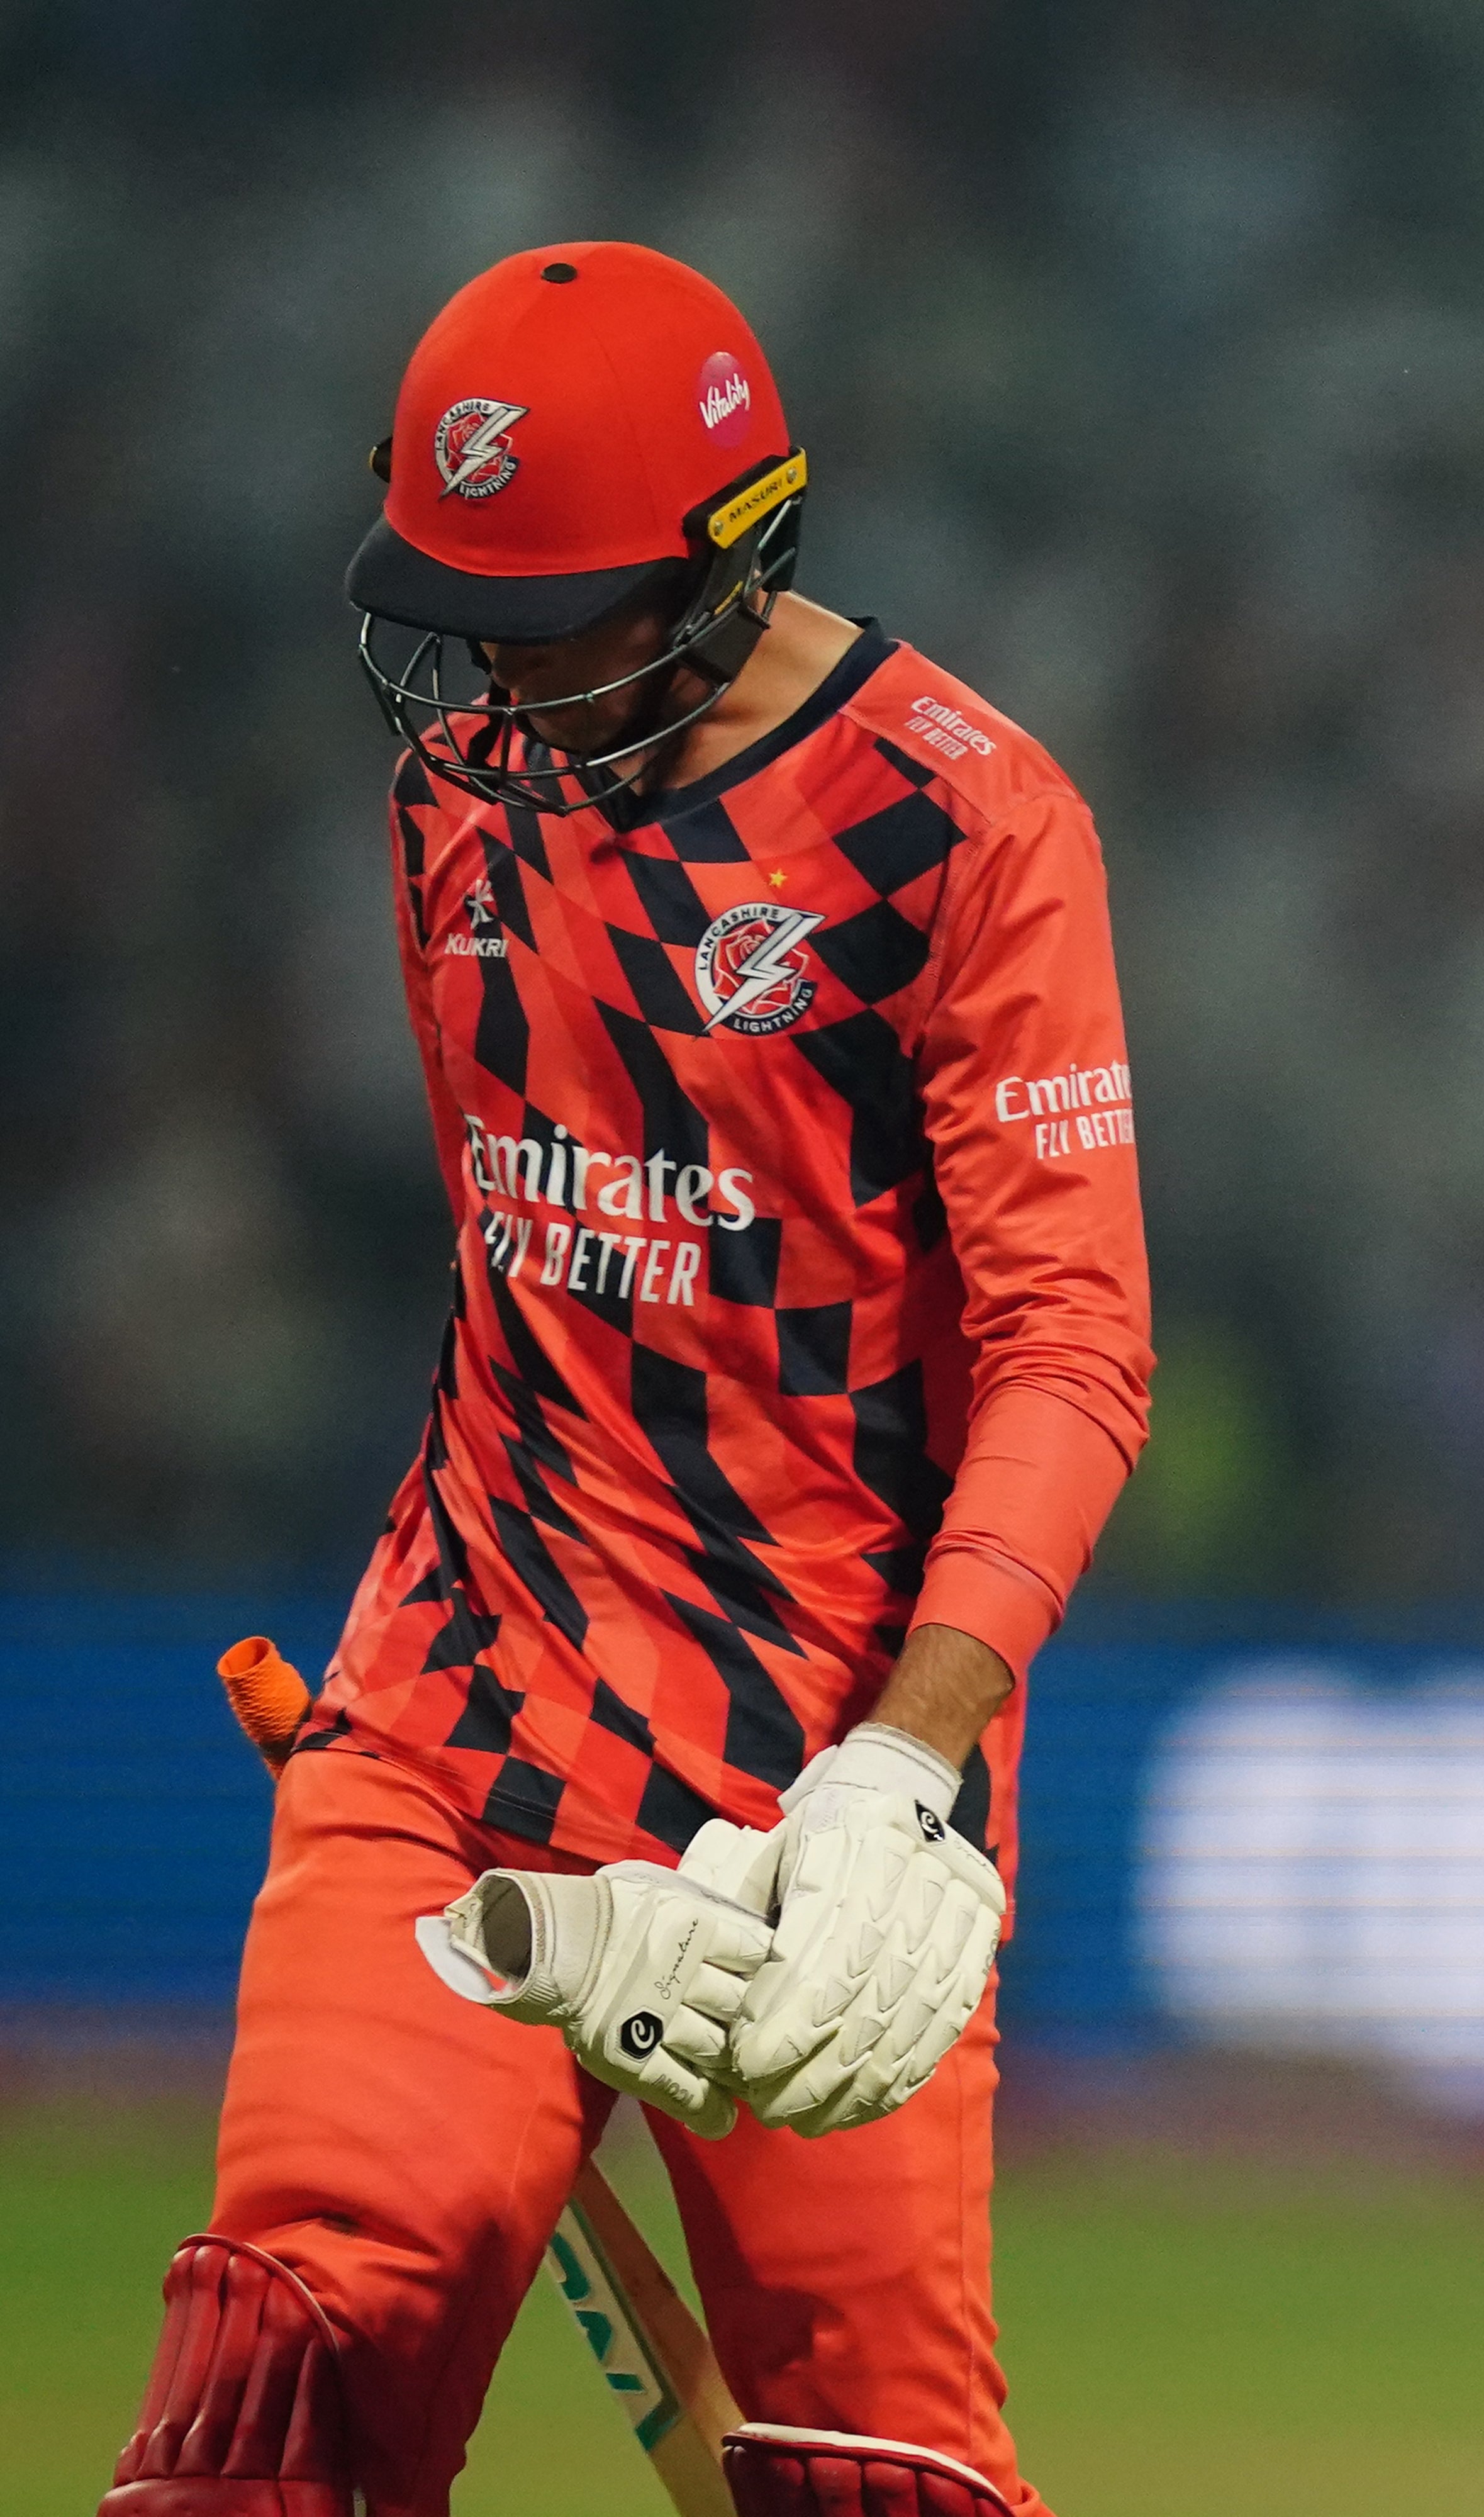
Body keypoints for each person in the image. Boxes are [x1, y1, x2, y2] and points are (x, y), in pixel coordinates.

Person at [97, 242, 1149, 2517]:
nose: (496, 678)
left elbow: (1076, 1349)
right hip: (449, 1730)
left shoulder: (962, 829)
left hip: (819, 1806)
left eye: (555, 614)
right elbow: (546, 1284)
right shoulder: (456, 794)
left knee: (872, 2482)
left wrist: (910, 1769)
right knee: (276, 2411)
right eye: (464, 615)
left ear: (733, 547)